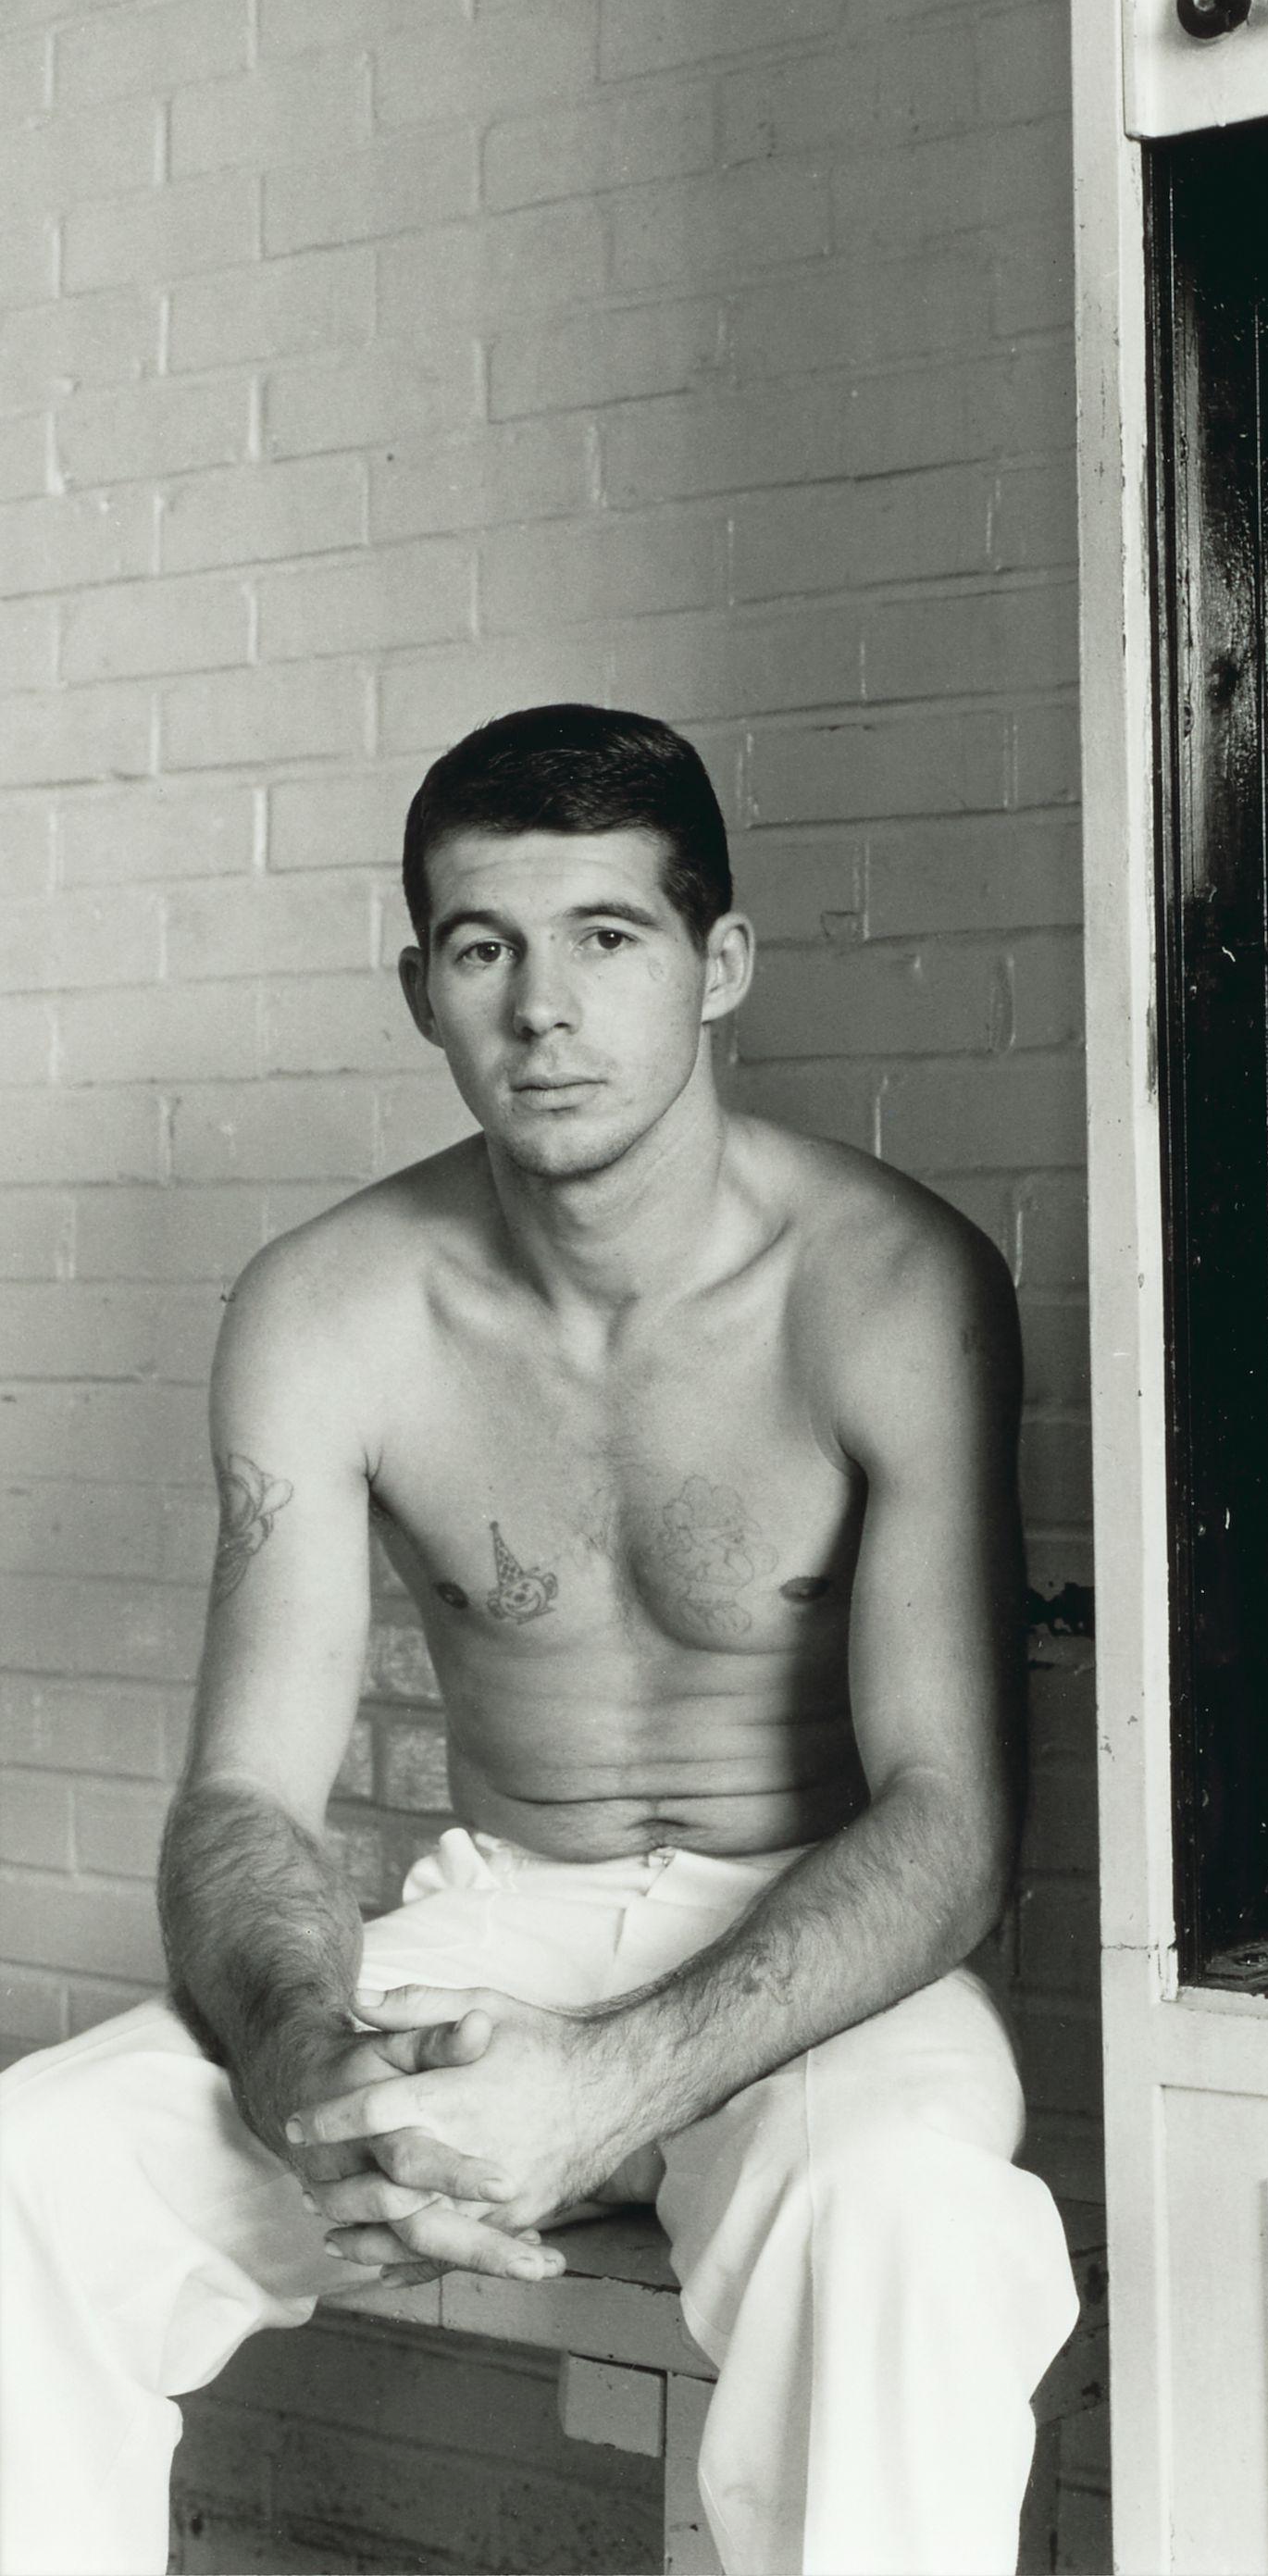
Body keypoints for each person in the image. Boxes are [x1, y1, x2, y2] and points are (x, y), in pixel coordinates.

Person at [0, 705, 1078, 2576]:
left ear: (716, 963)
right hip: (505, 1909)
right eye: (485, 947)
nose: (543, 1009)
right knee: (30, 2177)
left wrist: (612, 2090)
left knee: (907, 2227)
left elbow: (954, 1829)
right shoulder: (332, 1306)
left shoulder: (893, 1283)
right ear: (421, 986)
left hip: (816, 1948)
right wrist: (299, 2065)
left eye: (606, 936)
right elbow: (244, 1799)